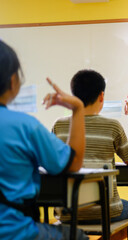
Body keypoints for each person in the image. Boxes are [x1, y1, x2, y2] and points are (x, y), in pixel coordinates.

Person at [0, 40, 88, 240]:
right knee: (79, 237)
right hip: (14, 232)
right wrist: (78, 109)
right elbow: (73, 163)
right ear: (13, 82)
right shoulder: (24, 126)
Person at [52, 69, 128, 240]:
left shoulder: (59, 125)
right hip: (106, 209)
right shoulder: (112, 125)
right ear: (101, 96)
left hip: (66, 209)